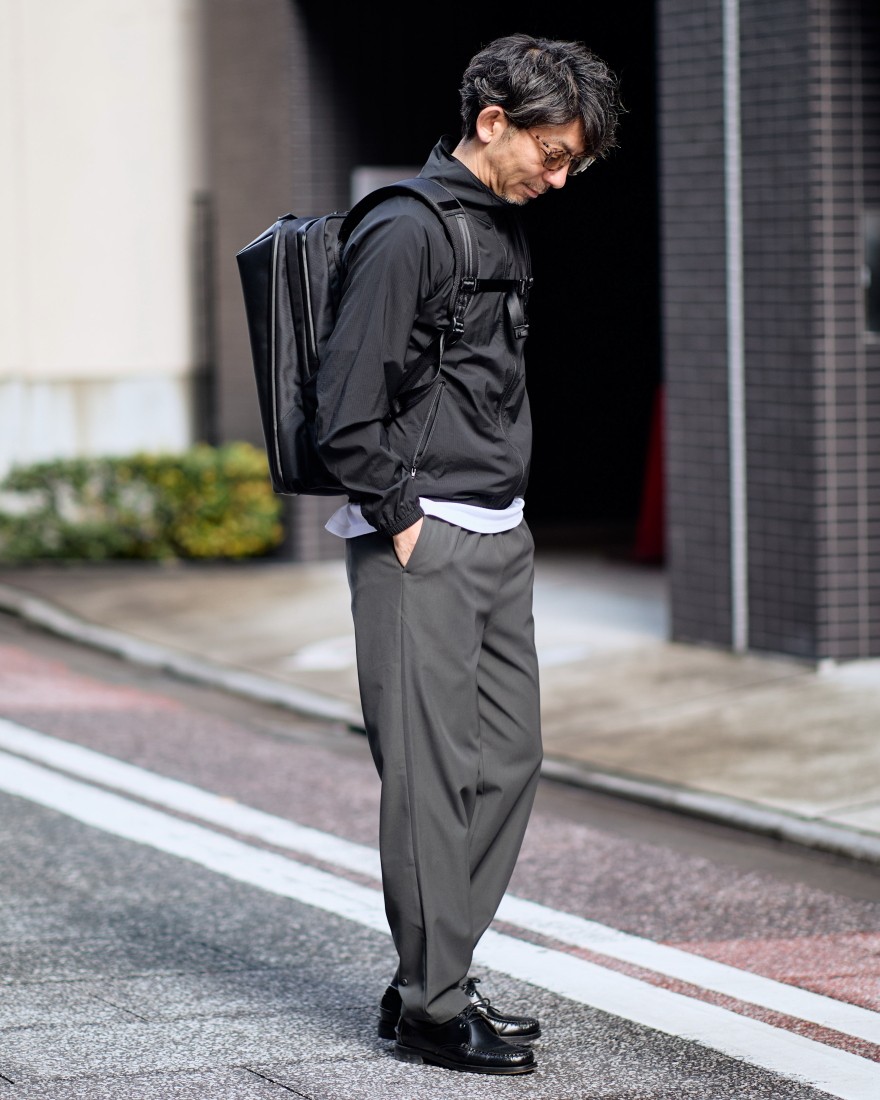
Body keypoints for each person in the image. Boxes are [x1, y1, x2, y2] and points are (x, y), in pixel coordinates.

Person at [316, 32, 620, 1075]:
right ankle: (434, 1008)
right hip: (424, 539)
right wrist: (401, 517)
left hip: (498, 531)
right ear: (492, 121)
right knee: (429, 779)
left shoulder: (499, 224)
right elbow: (344, 406)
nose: (560, 176)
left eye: (573, 161)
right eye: (552, 152)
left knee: (507, 760)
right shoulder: (405, 228)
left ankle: (429, 971)